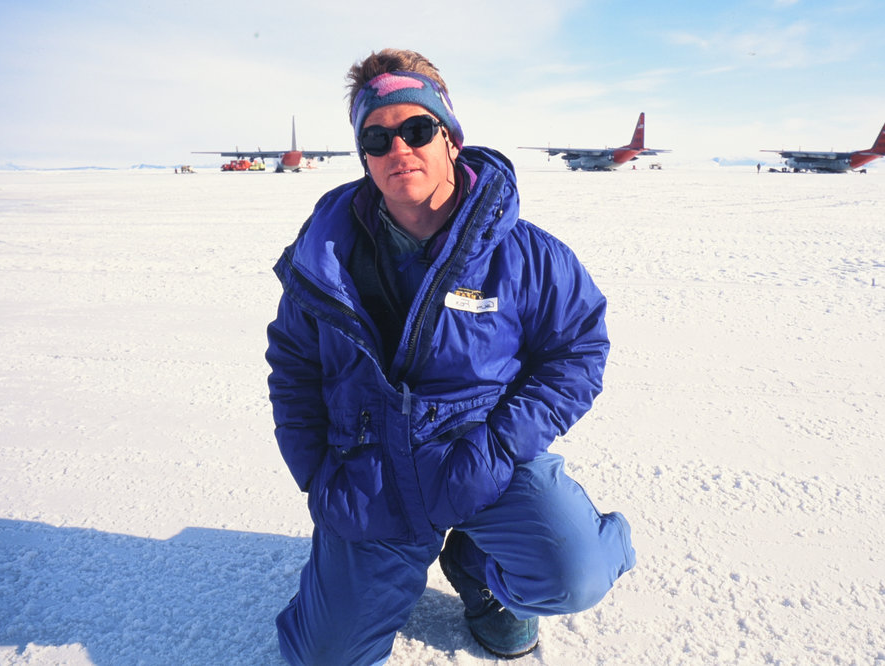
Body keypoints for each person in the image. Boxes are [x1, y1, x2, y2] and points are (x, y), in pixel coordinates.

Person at [265, 48, 636, 665]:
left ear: (450, 139)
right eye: (377, 137)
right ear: (364, 155)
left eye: (416, 129)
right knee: (323, 659)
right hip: (369, 473)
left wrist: (500, 446)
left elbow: (578, 350)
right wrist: (315, 469)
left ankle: (476, 566)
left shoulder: (526, 255)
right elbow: (293, 364)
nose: (398, 149)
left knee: (575, 575)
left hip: (481, 457)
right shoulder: (323, 258)